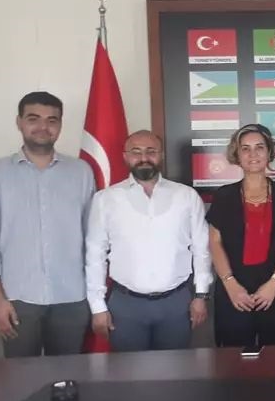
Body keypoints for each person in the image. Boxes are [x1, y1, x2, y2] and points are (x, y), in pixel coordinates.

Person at [0, 92, 96, 357]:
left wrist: (95, 298)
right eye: (33, 119)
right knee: (20, 376)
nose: (43, 127)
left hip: (72, 298)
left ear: (60, 125)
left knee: (68, 376)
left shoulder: (81, 172)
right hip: (17, 298)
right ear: (19, 122)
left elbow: (93, 238)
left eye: (52, 120)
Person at [85, 130, 211, 351]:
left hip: (176, 304)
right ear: (125, 156)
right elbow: (95, 255)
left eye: (151, 151)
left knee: (176, 369)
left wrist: (201, 295)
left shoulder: (187, 196)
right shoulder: (105, 199)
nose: (144, 158)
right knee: (129, 371)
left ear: (161, 155)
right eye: (136, 152)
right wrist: (97, 307)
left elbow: (201, 249)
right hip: (125, 306)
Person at [208, 124, 275, 348]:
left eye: (259, 147)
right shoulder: (224, 196)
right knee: (234, 359)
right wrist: (230, 284)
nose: (253, 154)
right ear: (237, 155)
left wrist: (274, 283)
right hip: (234, 290)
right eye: (245, 148)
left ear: (269, 152)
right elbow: (215, 243)